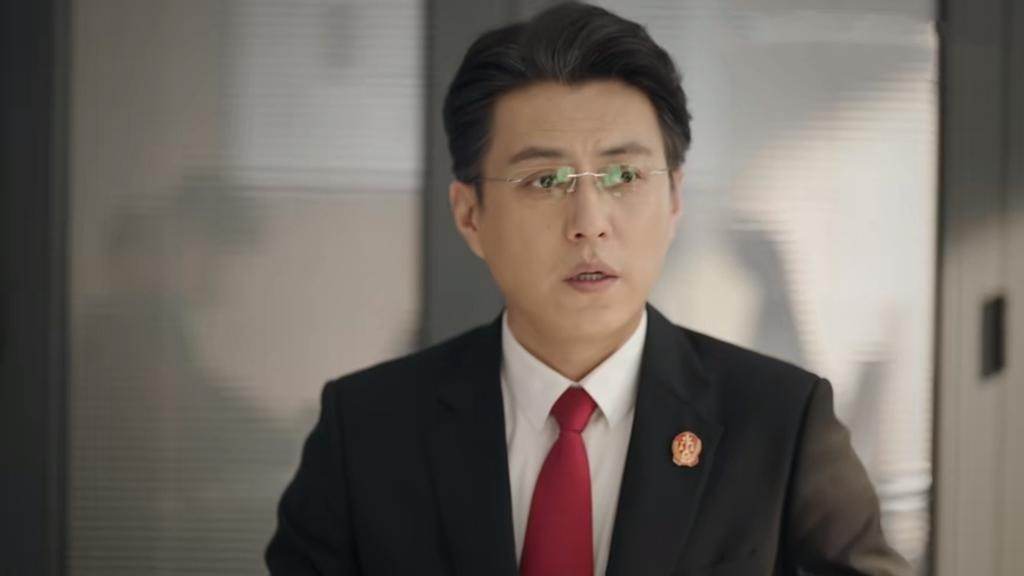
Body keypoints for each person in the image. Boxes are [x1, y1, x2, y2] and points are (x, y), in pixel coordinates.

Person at [265, 2, 911, 575]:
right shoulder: (367, 433)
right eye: (545, 181)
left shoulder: (780, 425)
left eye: (624, 175)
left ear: (674, 198)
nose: (589, 223)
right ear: (470, 216)